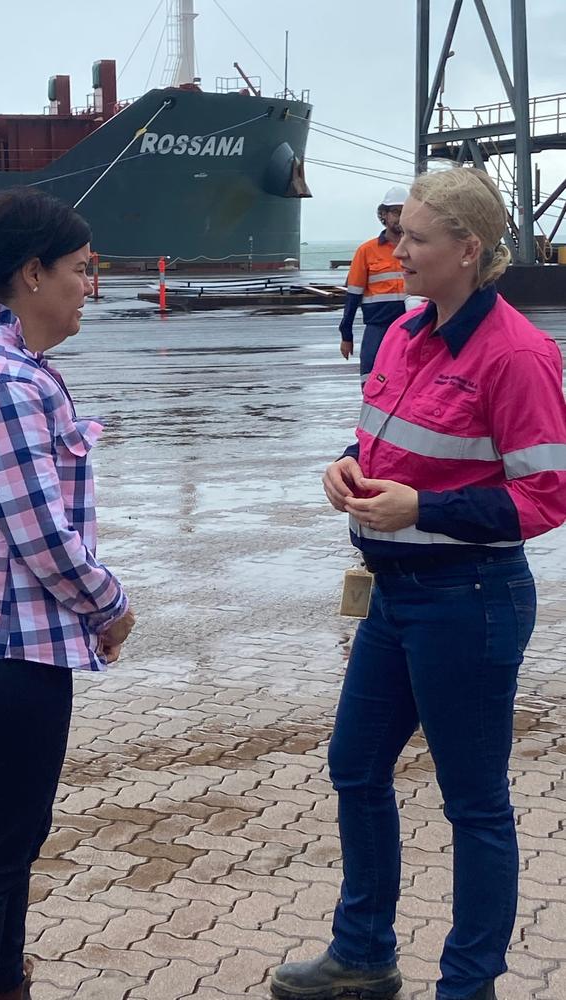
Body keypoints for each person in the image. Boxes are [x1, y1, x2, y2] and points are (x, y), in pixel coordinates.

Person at [271, 167, 566, 1000]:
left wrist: (425, 507)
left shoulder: (517, 355)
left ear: (468, 250)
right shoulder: (405, 332)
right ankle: (362, 955)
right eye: (399, 234)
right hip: (394, 597)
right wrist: (346, 464)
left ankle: (467, 985)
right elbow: (384, 438)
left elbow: (547, 495)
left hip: (469, 600)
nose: (396, 250)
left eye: (416, 238)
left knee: (473, 803)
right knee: (356, 768)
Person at [0, 189, 135, 1000]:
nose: (91, 285)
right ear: (34, 273)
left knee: (9, 843)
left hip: (9, 652)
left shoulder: (10, 373)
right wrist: (111, 605)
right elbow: (41, 536)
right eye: (82, 270)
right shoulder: (2, 386)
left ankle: (2, 982)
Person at [339, 184, 408, 386]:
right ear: (384, 215)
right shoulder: (367, 251)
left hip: (411, 326)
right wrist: (346, 336)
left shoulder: (418, 248)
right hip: (378, 326)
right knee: (370, 379)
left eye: (405, 212)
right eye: (395, 212)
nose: (400, 218)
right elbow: (352, 297)